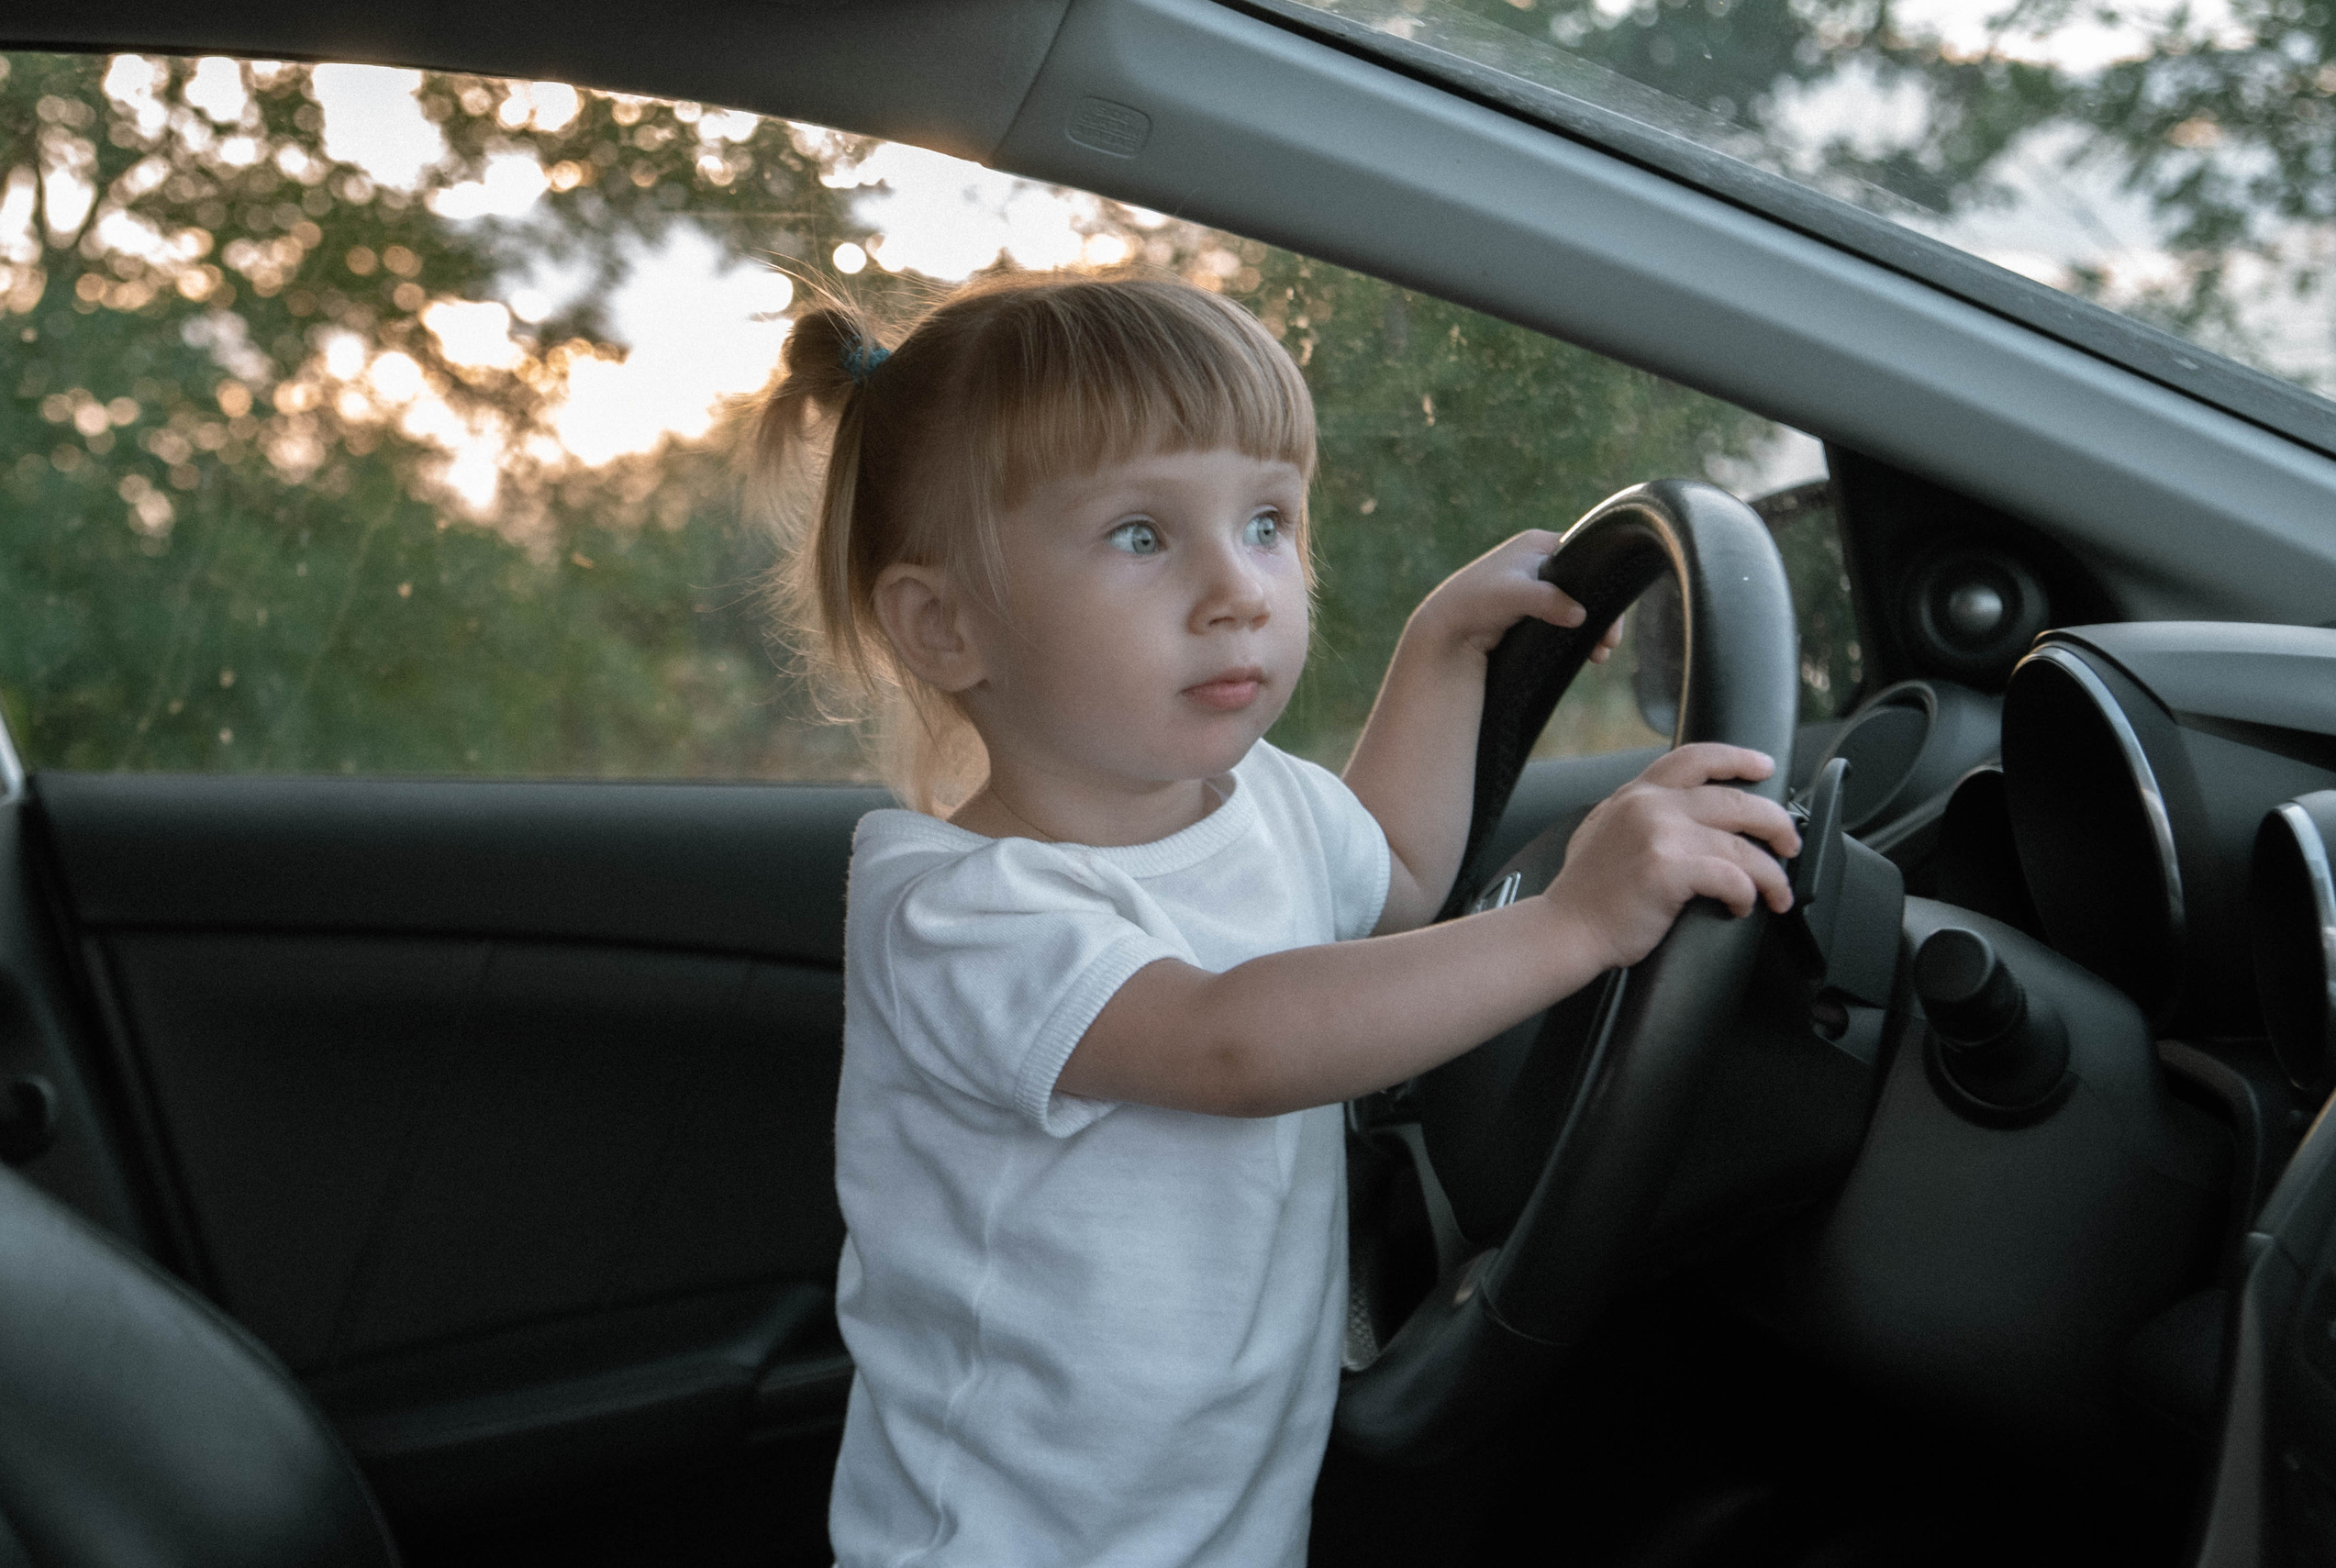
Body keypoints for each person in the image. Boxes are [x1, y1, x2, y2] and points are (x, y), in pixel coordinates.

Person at [748, 268, 1801, 1568]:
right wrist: (1576, 922)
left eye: (1266, 521)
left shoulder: (1263, 804)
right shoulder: (961, 911)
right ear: (946, 623)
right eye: (1143, 535)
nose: (1237, 587)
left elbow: (1402, 875)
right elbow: (1228, 1044)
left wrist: (1442, 650)